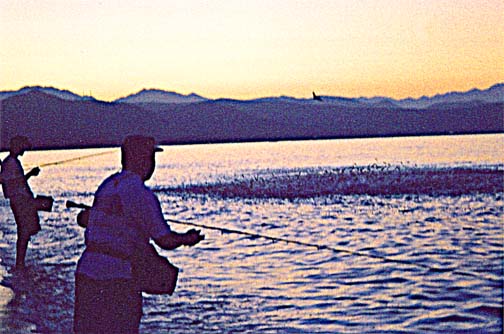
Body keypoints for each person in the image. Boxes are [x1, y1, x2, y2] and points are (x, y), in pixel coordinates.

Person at [73, 135, 204, 334]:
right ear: (144, 160)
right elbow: (165, 240)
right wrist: (187, 238)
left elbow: (87, 219)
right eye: (151, 158)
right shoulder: (141, 193)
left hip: (86, 272)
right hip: (117, 277)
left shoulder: (107, 185)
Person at [0, 136, 52, 269]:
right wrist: (31, 173)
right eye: (23, 147)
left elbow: (14, 181)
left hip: (22, 200)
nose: (24, 150)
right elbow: (14, 182)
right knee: (24, 232)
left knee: (26, 231)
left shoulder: (12, 162)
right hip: (20, 201)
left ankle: (20, 263)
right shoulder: (10, 162)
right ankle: (20, 263)